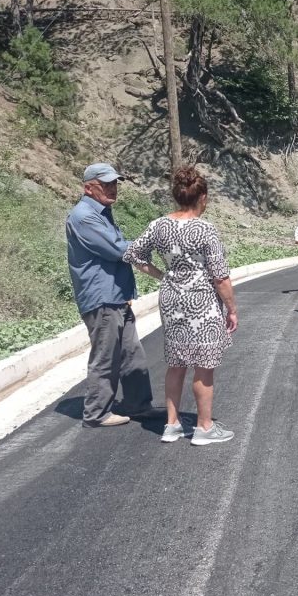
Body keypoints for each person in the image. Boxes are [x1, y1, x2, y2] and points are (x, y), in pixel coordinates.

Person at [124, 166, 239, 446]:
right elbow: (220, 276)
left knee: (176, 362)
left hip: (172, 297)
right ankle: (204, 428)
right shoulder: (205, 229)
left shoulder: (158, 225)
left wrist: (162, 275)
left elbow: (133, 254)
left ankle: (172, 425)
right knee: (203, 365)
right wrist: (232, 308)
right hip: (201, 300)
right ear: (203, 198)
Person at [66, 163, 156, 428]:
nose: (112, 188)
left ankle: (138, 405)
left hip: (116, 295)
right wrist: (156, 241)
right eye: (106, 184)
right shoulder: (84, 216)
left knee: (131, 354)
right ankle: (96, 413)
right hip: (102, 298)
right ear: (88, 188)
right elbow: (118, 249)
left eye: (114, 183)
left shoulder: (102, 213)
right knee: (106, 356)